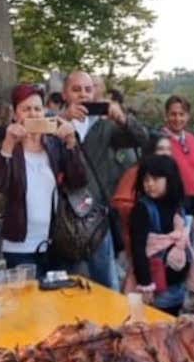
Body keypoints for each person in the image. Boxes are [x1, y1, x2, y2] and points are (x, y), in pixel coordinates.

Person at [61, 70, 151, 288]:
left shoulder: (104, 127)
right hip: (62, 219)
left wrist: (122, 118)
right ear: (65, 94)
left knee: (105, 280)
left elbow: (142, 138)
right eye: (76, 89)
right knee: (69, 285)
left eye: (88, 89)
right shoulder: (53, 122)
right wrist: (63, 119)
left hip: (96, 217)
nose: (83, 94)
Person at [0, 84, 87, 276]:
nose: (33, 114)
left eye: (37, 109)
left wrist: (71, 143)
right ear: (16, 115)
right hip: (19, 245)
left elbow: (78, 181)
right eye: (26, 109)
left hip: (55, 242)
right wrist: (8, 144)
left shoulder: (54, 144)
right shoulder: (7, 145)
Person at [124, 155, 194, 315]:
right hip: (153, 291)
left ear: (170, 179)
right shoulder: (142, 209)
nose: (149, 184)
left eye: (155, 179)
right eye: (146, 180)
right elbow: (138, 249)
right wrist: (145, 284)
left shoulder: (177, 204)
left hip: (176, 289)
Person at [161, 95, 194, 197]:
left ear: (188, 116)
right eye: (173, 114)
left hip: (193, 202)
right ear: (166, 115)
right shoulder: (160, 141)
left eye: (181, 114)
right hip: (171, 204)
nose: (177, 118)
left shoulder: (192, 139)